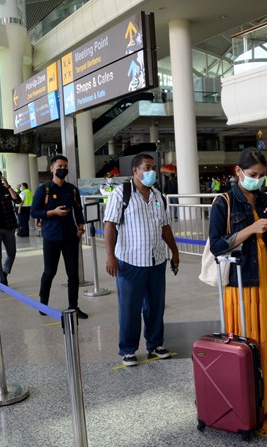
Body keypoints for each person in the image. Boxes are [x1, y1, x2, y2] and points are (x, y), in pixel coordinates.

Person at [208, 147, 267, 415]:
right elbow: (217, 245)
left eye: (262, 175)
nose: (258, 179)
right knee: (249, 337)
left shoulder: (265, 198)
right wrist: (251, 229)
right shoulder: (223, 202)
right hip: (241, 281)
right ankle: (248, 397)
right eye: (253, 174)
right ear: (238, 172)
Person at [103, 153, 180, 366]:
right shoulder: (121, 193)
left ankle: (155, 345)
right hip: (130, 261)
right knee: (130, 308)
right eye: (147, 167)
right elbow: (109, 224)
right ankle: (128, 349)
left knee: (155, 306)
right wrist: (110, 256)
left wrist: (174, 251)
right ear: (135, 170)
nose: (151, 172)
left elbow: (165, 226)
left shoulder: (157, 195)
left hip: (156, 261)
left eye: (153, 168)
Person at [31, 155, 88, 319]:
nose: (62, 169)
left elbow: (78, 209)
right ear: (51, 168)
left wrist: (80, 227)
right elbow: (34, 212)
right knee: (49, 271)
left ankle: (73, 306)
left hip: (70, 236)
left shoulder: (72, 189)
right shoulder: (44, 190)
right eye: (59, 166)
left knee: (73, 274)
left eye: (65, 166)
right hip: (51, 236)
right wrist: (53, 212)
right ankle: (43, 304)